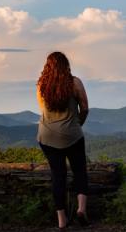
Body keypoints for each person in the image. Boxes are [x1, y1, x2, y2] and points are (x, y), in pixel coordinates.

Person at [36, 51, 90, 230]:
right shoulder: (75, 83)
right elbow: (85, 108)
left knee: (58, 176)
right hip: (72, 134)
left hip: (47, 136)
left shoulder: (41, 86)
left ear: (47, 66)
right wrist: (77, 124)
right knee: (80, 171)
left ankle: (61, 220)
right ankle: (81, 209)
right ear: (66, 64)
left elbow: (43, 110)